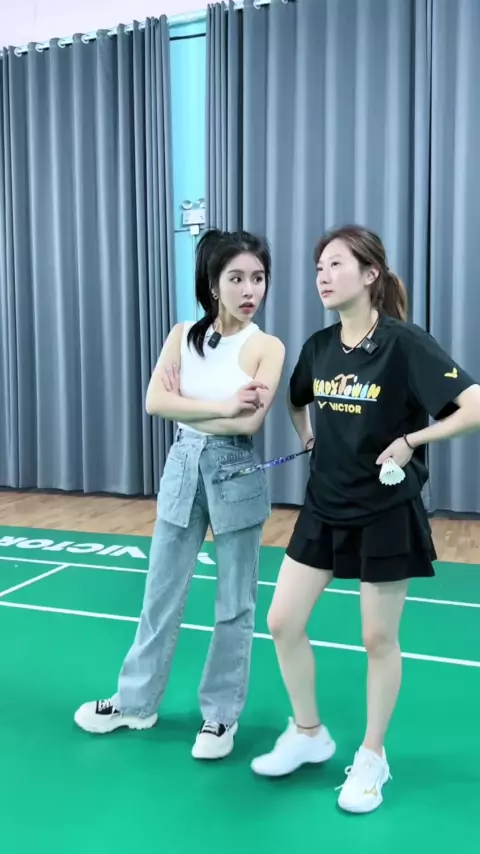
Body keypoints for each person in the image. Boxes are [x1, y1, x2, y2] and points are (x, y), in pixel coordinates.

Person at [250, 224, 480, 812]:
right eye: (318, 267)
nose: (323, 276)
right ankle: (308, 733)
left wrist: (413, 440)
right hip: (324, 506)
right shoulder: (319, 347)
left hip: (385, 511)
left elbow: (473, 406)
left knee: (378, 638)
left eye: (336, 264)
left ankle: (373, 755)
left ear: (370, 273)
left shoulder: (405, 344)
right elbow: (296, 398)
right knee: (282, 621)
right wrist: (308, 438)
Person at [74, 228, 285, 760]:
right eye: (236, 278)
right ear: (213, 283)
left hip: (235, 469)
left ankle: (220, 716)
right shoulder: (181, 335)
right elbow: (154, 403)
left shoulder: (268, 347)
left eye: (258, 278)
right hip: (183, 463)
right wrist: (221, 406)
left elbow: (250, 421)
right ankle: (135, 702)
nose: (249, 290)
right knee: (159, 593)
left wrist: (187, 402)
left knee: (235, 603)